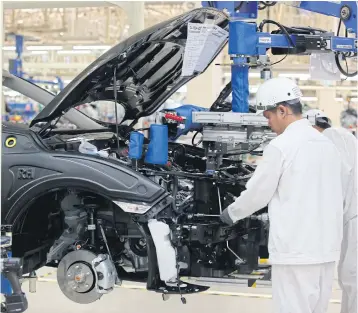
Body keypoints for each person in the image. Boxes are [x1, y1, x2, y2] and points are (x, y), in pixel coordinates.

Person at [220, 77, 344, 313]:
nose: (269, 124)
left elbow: (258, 193)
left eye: (268, 117)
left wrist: (230, 214)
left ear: (282, 110)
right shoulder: (326, 144)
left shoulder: (281, 146)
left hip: (294, 251)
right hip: (326, 249)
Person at [306, 109, 357, 313]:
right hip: (350, 214)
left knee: (352, 275)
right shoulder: (336, 138)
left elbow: (336, 176)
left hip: (354, 215)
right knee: (349, 276)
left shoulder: (333, 137)